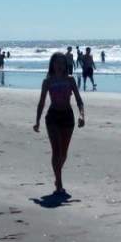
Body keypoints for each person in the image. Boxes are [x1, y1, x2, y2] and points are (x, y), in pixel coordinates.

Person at [33, 52, 85, 197]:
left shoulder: (70, 80)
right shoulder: (47, 82)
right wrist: (37, 120)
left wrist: (82, 115)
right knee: (56, 151)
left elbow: (79, 100)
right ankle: (59, 184)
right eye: (57, 63)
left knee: (63, 153)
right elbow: (42, 102)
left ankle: (57, 175)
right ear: (52, 65)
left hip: (68, 116)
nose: (60, 66)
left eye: (62, 63)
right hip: (53, 117)